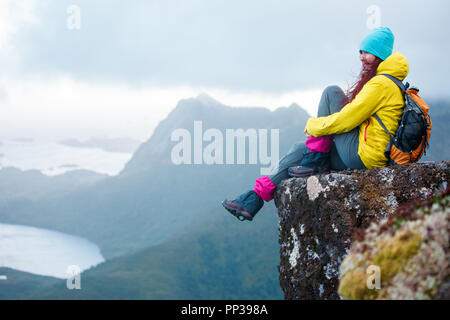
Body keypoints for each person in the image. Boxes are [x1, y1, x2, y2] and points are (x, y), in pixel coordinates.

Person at [222, 27, 409, 221]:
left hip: (365, 156)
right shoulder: (387, 82)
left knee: (331, 92)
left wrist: (313, 125)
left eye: (367, 52)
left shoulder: (382, 84)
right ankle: (254, 199)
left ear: (380, 55)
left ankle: (315, 159)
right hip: (364, 154)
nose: (362, 57)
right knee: (299, 149)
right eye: (360, 52)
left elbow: (346, 120)